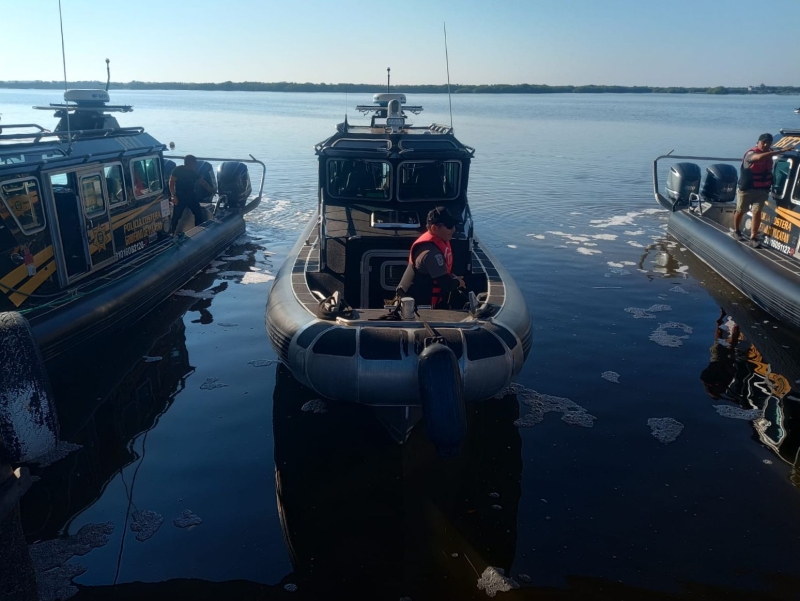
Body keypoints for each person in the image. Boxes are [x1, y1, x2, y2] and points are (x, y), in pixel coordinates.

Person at [731, 133, 793, 248]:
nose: (765, 145)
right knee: (740, 210)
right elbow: (759, 158)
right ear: (758, 142)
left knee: (757, 212)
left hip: (761, 190)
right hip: (747, 189)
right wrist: (780, 151)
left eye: (768, 143)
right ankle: (736, 230)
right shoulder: (750, 154)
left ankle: (753, 237)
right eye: (763, 142)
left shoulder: (769, 152)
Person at [397, 206, 465, 309]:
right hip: (416, 307)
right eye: (449, 226)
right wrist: (459, 282)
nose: (453, 230)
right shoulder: (430, 253)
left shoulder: (437, 242)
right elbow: (447, 285)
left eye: (454, 226)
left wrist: (453, 277)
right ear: (434, 228)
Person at [168, 155, 213, 234]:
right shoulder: (178, 170)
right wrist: (173, 195)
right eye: (194, 163)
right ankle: (171, 233)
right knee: (176, 216)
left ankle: (198, 231)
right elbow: (171, 182)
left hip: (191, 195)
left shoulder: (192, 172)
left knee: (198, 213)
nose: (195, 165)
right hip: (180, 196)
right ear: (189, 163)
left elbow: (202, 182)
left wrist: (211, 190)